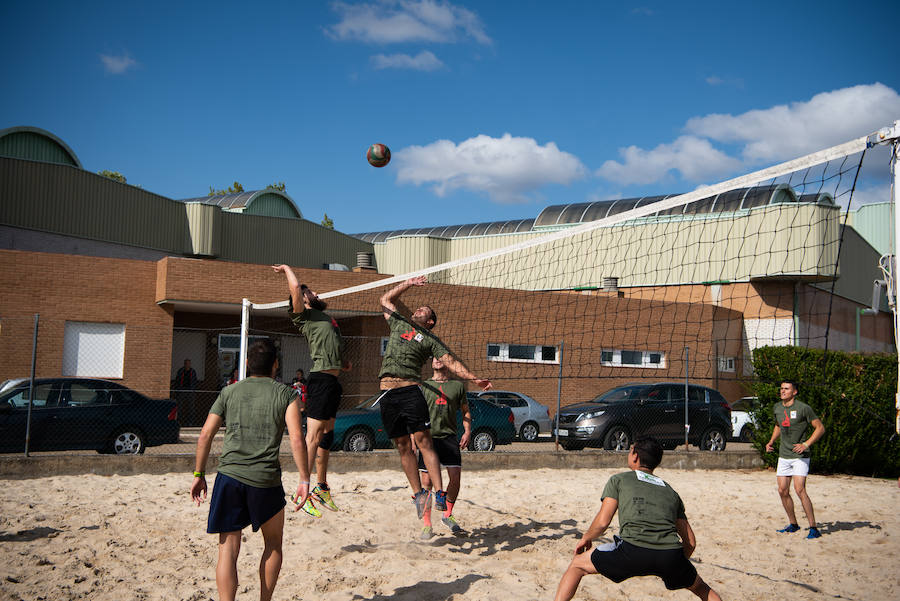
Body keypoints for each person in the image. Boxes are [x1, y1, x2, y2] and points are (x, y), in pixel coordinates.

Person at [190, 339, 311, 601]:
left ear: (246, 364)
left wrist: (199, 475)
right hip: (265, 480)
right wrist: (304, 479)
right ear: (275, 365)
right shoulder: (286, 394)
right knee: (273, 544)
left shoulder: (229, 392)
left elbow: (204, 435)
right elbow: (297, 439)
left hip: (229, 477)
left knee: (228, 550)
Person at [554, 437, 722, 601]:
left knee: (577, 565)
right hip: (670, 555)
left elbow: (603, 522)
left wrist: (586, 538)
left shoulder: (619, 480)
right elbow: (691, 542)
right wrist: (673, 564)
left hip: (631, 551)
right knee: (702, 588)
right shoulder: (671, 492)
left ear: (635, 456)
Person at [377, 275, 490, 518]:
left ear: (430, 322)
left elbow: (451, 362)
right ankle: (419, 494)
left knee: (424, 442)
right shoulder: (398, 323)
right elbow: (385, 299)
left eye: (424, 311)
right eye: (418, 308)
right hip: (387, 392)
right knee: (402, 446)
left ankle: (439, 492)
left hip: (409, 390)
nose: (418, 310)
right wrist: (407, 283)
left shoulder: (430, 340)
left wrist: (473, 378)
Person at [273, 264, 350, 517]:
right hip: (319, 381)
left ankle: (322, 486)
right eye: (310, 293)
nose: (314, 292)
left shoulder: (327, 318)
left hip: (333, 380)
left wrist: (343, 362)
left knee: (327, 435)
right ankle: (303, 488)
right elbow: (295, 287)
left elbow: (335, 347)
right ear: (302, 301)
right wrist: (286, 269)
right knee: (313, 437)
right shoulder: (302, 316)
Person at [416, 357, 471, 539]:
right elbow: (415, 415)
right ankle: (427, 525)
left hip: (449, 437)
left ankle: (447, 514)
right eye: (435, 358)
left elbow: (465, 411)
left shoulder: (457, 386)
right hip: (428, 439)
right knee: (427, 483)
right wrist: (413, 439)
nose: (438, 360)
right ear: (430, 363)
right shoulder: (424, 386)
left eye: (442, 358)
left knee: (455, 478)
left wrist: (467, 431)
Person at [765, 380, 826, 539]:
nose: (782, 391)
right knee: (782, 490)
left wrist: (806, 444)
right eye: (781, 388)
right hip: (784, 455)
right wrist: (771, 441)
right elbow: (778, 425)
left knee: (800, 489)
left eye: (786, 389)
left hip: (800, 456)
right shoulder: (778, 407)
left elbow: (820, 428)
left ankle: (813, 527)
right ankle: (793, 524)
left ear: (794, 392)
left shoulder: (803, 408)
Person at [174, 358, 199, 425]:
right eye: (186, 363)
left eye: (188, 363)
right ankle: (179, 421)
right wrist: (178, 389)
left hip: (190, 390)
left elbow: (195, 381)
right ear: (184, 364)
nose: (187, 365)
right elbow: (177, 380)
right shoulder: (181, 371)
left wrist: (193, 389)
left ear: (190, 364)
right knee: (180, 407)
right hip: (182, 390)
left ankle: (191, 422)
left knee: (191, 407)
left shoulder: (192, 371)